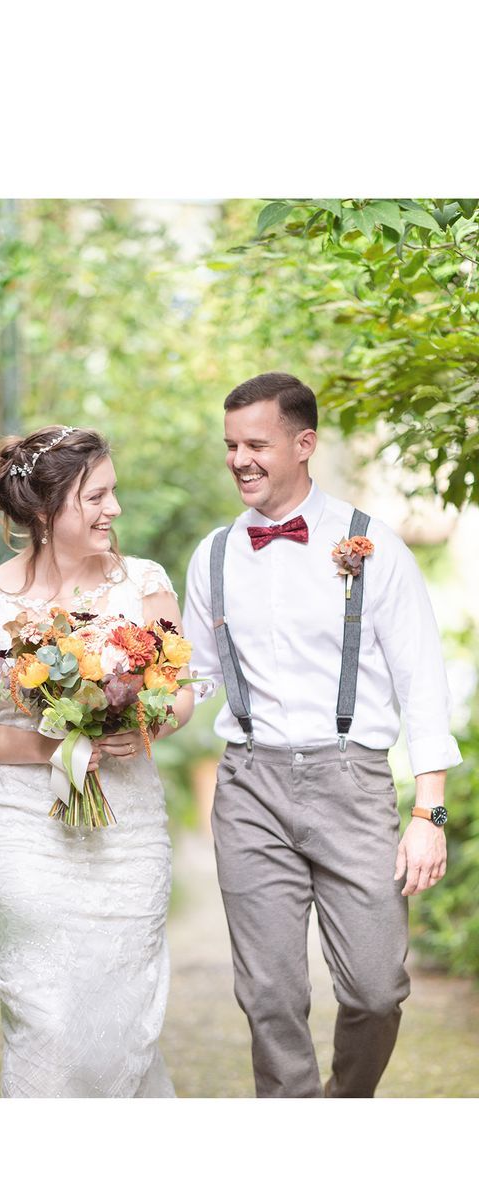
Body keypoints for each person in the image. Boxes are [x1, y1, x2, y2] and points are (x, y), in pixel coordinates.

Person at [183, 372, 459, 1098]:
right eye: (230, 446)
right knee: (270, 1000)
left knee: (375, 991)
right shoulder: (211, 556)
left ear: (304, 444)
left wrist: (429, 814)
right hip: (249, 786)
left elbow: (422, 683)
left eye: (256, 444)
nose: (240, 459)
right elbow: (195, 679)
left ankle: (345, 1104)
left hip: (353, 781)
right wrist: (118, 704)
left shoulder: (373, 544)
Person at [0, 426, 194, 1097]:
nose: (114, 509)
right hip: (26, 828)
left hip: (128, 826)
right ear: (47, 511)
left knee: (120, 1011)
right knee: (47, 1017)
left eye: (113, 493)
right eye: (97, 496)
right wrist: (55, 746)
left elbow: (182, 692)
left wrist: (139, 727)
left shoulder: (144, 585)